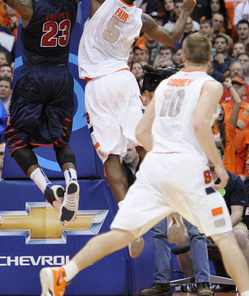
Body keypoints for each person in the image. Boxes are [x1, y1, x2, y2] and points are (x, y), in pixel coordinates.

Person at [39, 30, 249, 296]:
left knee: (122, 234)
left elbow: (141, 134)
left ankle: (63, 273)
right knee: (223, 236)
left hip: (155, 166)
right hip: (187, 164)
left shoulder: (164, 87)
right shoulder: (210, 84)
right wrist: (218, 165)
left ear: (182, 57)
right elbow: (199, 125)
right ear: (209, 58)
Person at [45, 0, 196, 256]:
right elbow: (174, 37)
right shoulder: (140, 18)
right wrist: (186, 10)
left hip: (98, 87)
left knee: (111, 158)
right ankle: (174, 213)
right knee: (146, 145)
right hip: (125, 80)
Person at [0, 0, 81, 227]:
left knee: (16, 140)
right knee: (61, 139)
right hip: (61, 78)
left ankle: (47, 188)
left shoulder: (29, 6)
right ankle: (71, 178)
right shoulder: (73, 2)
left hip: (33, 79)